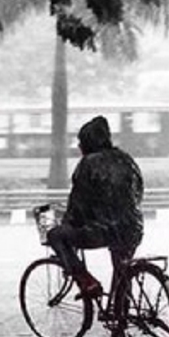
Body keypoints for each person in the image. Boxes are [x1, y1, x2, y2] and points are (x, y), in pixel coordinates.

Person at [46, 115, 144, 300]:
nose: (78, 146)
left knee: (55, 235)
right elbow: (138, 191)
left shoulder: (88, 163)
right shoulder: (125, 159)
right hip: (132, 227)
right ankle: (120, 317)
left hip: (103, 230)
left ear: (87, 143)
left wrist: (69, 224)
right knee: (122, 270)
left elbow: (79, 203)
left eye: (80, 142)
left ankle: (86, 281)